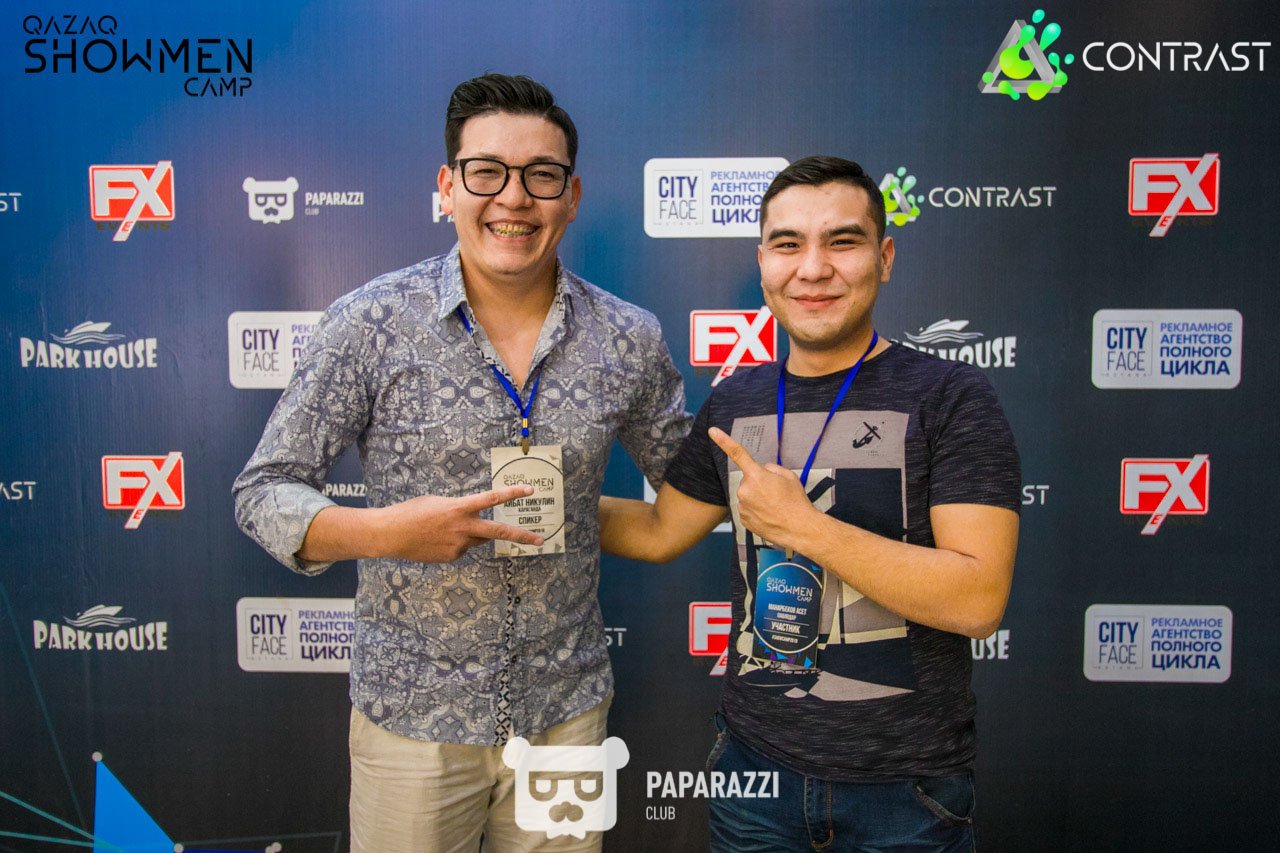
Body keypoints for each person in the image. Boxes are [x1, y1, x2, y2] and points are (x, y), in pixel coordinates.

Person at [233, 73, 689, 852]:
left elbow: (686, 479)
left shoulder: (627, 337)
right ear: (448, 187)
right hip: (413, 718)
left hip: (566, 716)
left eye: (541, 175)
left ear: (572, 195)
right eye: (487, 172)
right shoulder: (370, 323)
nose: (514, 197)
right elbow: (263, 491)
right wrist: (387, 532)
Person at [600, 156, 1020, 851]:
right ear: (764, 262)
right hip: (754, 774)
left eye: (843, 241)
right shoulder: (736, 400)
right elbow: (656, 529)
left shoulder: (951, 396)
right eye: (789, 243)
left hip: (905, 790)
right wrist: (532, 506)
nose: (814, 268)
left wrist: (807, 528)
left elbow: (977, 601)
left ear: (885, 257)